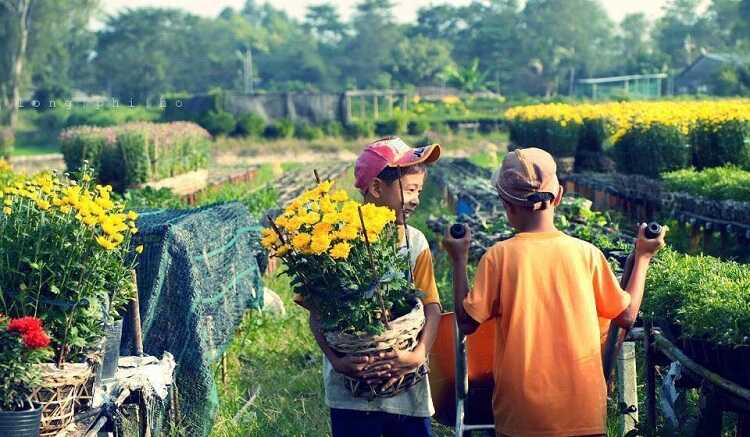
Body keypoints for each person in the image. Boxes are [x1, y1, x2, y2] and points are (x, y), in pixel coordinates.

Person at [443, 147, 666, 437]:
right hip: (582, 410)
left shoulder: (499, 257)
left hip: (521, 415)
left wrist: (458, 259)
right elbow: (625, 315)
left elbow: (467, 322)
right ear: (558, 196)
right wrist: (644, 257)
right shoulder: (587, 255)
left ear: (505, 204)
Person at [301, 136, 443, 437]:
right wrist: (337, 360)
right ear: (377, 188)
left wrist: (418, 355)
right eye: (411, 189)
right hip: (351, 392)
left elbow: (432, 306)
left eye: (420, 190)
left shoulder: (415, 242)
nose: (417, 198)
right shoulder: (333, 242)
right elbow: (316, 313)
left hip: (407, 387)